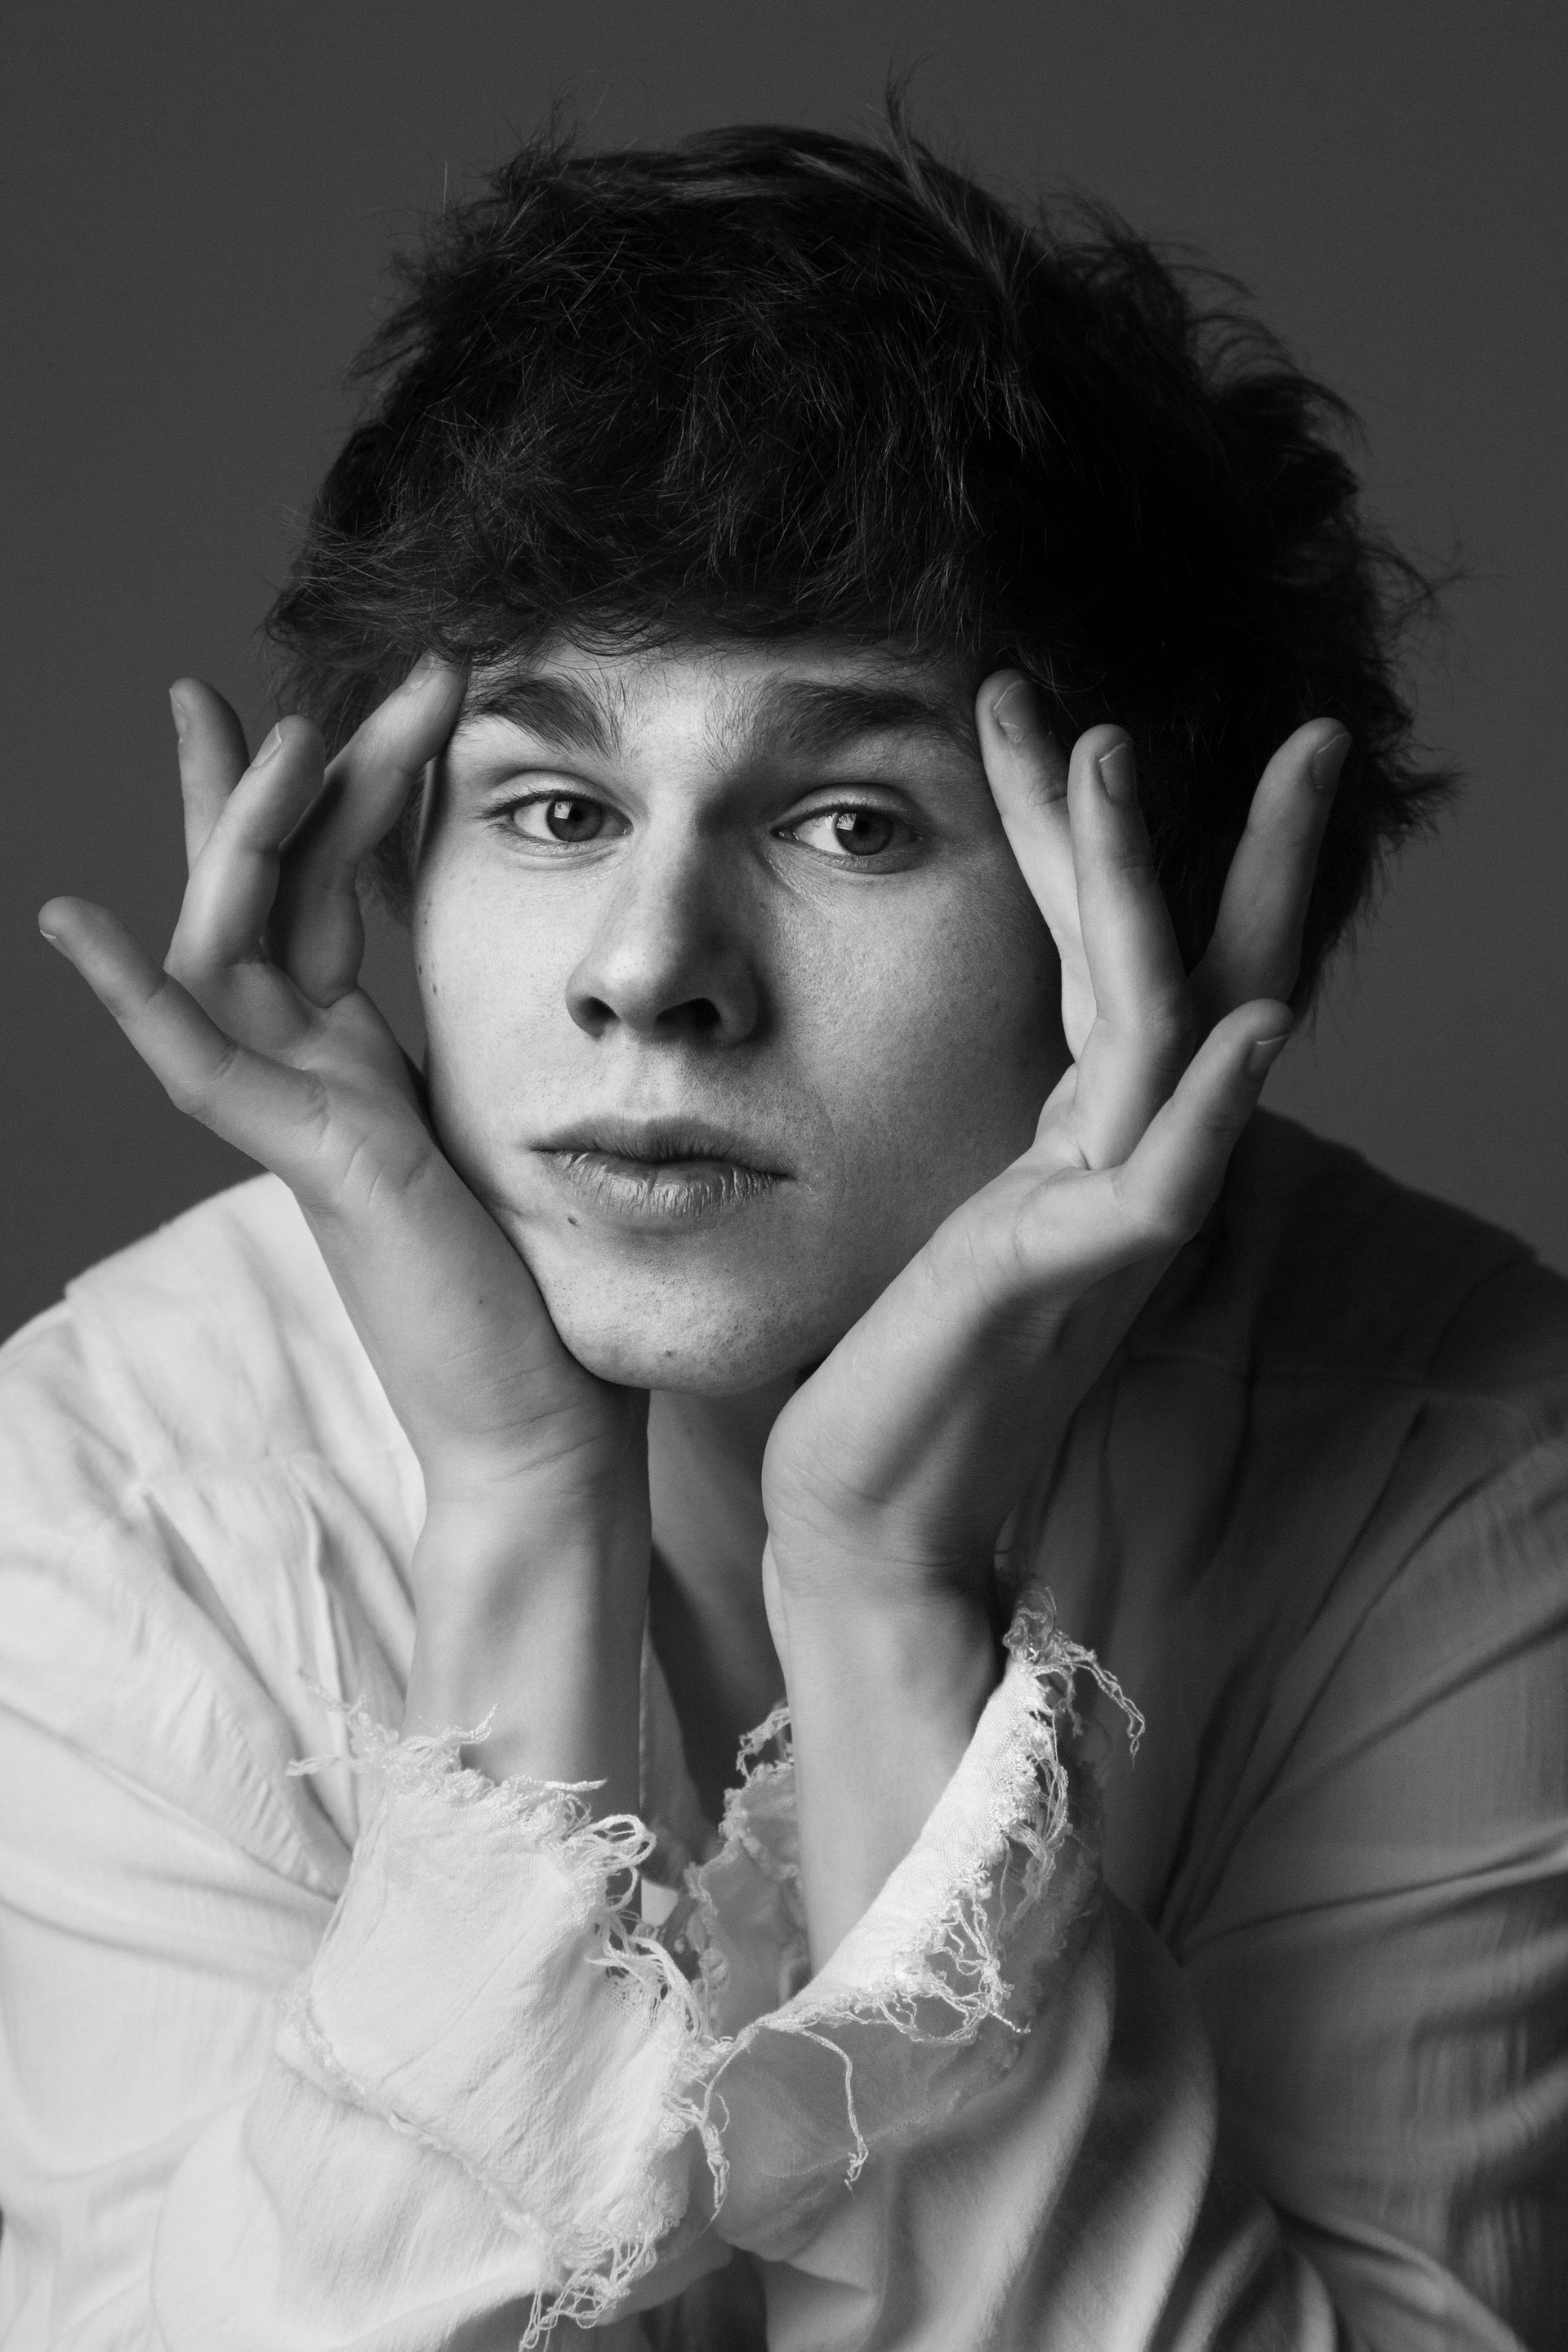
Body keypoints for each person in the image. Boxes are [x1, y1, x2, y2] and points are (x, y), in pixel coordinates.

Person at [3, 114, 1564, 2351]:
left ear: (1153, 926)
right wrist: (519, 1510)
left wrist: (884, 1588)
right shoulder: (109, 1498)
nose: (650, 970)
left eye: (851, 825)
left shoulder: (1468, 1458)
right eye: (554, 806)